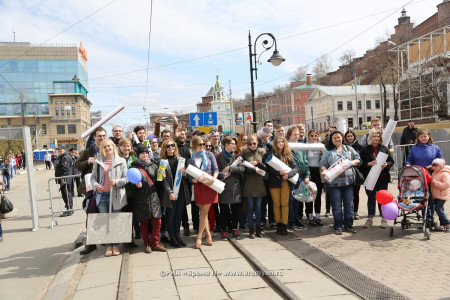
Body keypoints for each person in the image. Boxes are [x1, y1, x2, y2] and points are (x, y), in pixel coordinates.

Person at [91, 139, 128, 257]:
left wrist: (117, 182)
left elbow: (126, 178)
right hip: (103, 196)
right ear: (102, 149)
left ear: (113, 147)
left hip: (116, 195)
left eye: (109, 146)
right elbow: (92, 179)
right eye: (105, 147)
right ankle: (108, 246)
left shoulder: (121, 161)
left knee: (116, 221)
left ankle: (116, 245)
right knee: (105, 220)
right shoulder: (98, 162)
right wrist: (96, 186)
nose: (108, 148)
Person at [320, 130, 361, 235]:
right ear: (331, 140)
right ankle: (337, 226)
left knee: (348, 206)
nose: (337, 139)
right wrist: (324, 171)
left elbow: (358, 159)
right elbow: (323, 163)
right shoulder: (328, 151)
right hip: (334, 184)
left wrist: (353, 162)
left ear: (342, 137)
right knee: (337, 206)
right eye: (335, 138)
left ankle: (348, 225)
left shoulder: (349, 149)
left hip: (348, 182)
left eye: (339, 137)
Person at [130, 145, 166, 253]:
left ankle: (155, 243)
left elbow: (158, 182)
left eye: (146, 153)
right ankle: (147, 244)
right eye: (142, 153)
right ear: (138, 155)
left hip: (154, 197)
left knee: (157, 220)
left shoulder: (153, 165)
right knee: (144, 222)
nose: (144, 155)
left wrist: (162, 177)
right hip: (141, 198)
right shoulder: (134, 167)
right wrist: (135, 186)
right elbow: (130, 183)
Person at [187, 136, 219, 249]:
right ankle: (208, 235)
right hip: (199, 186)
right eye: (200, 144)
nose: (202, 147)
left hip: (210, 185)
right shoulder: (190, 160)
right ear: (194, 146)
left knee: (204, 213)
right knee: (203, 213)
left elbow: (216, 169)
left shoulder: (209, 155)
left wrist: (213, 179)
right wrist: (197, 180)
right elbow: (190, 179)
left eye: (203, 144)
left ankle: (199, 237)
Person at [359, 129, 394, 228]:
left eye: (378, 136)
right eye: (374, 136)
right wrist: (369, 163)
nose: (376, 138)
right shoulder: (365, 149)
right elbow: (360, 163)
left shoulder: (384, 148)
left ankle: (384, 218)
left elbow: (391, 161)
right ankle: (370, 219)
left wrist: (386, 164)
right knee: (371, 198)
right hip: (370, 178)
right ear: (370, 138)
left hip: (382, 178)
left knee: (382, 198)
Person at [160, 139, 190, 248]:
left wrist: (184, 174)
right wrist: (169, 193)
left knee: (178, 214)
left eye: (172, 145)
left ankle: (177, 235)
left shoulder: (180, 160)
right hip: (170, 193)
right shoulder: (162, 162)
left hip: (181, 190)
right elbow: (163, 180)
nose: (171, 147)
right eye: (168, 146)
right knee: (170, 215)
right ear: (164, 148)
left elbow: (185, 177)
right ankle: (172, 236)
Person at [266, 136, 299, 236]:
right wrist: (278, 172)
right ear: (275, 144)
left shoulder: (287, 154)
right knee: (276, 204)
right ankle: (278, 224)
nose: (280, 143)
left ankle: (284, 225)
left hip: (285, 182)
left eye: (282, 142)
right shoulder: (271, 154)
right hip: (274, 182)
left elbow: (296, 168)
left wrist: (288, 175)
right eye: (278, 142)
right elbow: (268, 169)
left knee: (285, 204)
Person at [216, 137, 245, 239]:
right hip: (223, 187)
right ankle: (224, 229)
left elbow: (242, 169)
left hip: (235, 188)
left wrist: (230, 168)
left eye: (235, 144)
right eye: (232, 143)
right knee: (223, 210)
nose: (234, 145)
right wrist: (222, 175)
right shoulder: (218, 157)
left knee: (235, 210)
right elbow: (215, 172)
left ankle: (234, 228)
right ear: (226, 145)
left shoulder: (237, 157)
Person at [241, 134, 267, 238]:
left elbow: (265, 167)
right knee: (250, 208)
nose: (252, 145)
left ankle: (258, 228)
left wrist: (258, 164)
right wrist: (251, 167)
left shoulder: (261, 152)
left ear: (257, 143)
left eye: (254, 143)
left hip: (259, 183)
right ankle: (251, 229)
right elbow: (242, 168)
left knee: (258, 208)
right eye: (250, 143)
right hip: (249, 184)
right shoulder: (245, 153)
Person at [286, 127, 309, 230]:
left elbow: (306, 161)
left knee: (298, 199)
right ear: (289, 135)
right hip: (291, 177)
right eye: (294, 134)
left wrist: (307, 175)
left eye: (298, 134)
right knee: (291, 200)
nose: (297, 136)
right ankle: (290, 221)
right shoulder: (286, 147)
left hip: (301, 177)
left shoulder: (300, 146)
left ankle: (295, 219)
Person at [117, 138, 139, 246]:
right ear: (120, 147)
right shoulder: (116, 159)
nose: (126, 148)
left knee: (132, 215)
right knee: (124, 216)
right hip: (121, 191)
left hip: (133, 192)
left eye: (128, 146)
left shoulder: (134, 159)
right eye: (124, 146)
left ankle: (131, 237)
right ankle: (126, 239)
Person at [173, 128, 194, 237]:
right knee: (180, 205)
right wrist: (175, 136)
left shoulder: (189, 147)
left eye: (183, 135)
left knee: (187, 203)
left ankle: (186, 226)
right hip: (177, 179)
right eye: (180, 136)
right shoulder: (175, 146)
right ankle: (185, 227)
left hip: (188, 179)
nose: (182, 136)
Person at [76, 127, 107, 196]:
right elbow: (77, 165)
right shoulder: (88, 151)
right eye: (99, 136)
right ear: (94, 137)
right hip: (92, 186)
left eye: (103, 136)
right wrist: (87, 162)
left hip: (107, 185)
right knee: (91, 205)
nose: (102, 138)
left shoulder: (110, 150)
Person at [305, 129, 324, 225]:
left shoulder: (321, 146)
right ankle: (310, 216)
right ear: (309, 136)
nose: (313, 137)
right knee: (309, 195)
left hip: (318, 172)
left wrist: (322, 153)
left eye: (315, 135)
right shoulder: (306, 146)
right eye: (312, 135)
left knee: (318, 195)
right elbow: (305, 160)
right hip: (310, 171)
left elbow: (325, 159)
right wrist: (307, 174)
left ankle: (318, 215)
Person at [344, 130, 363, 220]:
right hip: (345, 174)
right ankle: (348, 211)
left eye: (351, 136)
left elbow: (361, 161)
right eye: (348, 136)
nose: (350, 138)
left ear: (354, 136)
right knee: (347, 194)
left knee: (356, 193)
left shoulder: (360, 147)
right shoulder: (342, 147)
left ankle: (355, 211)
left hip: (356, 174)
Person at [430, 158, 450, 231]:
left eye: (436, 166)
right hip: (435, 195)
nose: (434, 168)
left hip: (442, 195)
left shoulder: (445, 174)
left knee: (438, 209)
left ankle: (448, 222)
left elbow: (447, 185)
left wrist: (436, 183)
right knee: (440, 209)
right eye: (433, 166)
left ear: (441, 166)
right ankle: (443, 224)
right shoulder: (434, 173)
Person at [54, 145, 74, 217]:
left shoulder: (65, 157)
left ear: (64, 150)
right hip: (64, 179)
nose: (59, 152)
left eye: (61, 150)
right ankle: (68, 208)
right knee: (65, 194)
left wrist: (63, 179)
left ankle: (69, 209)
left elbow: (65, 169)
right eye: (58, 151)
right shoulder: (62, 157)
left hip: (65, 179)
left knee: (66, 194)